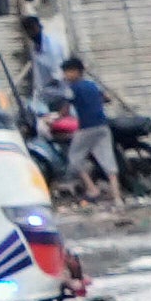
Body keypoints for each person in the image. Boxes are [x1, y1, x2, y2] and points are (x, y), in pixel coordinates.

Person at [54, 55, 117, 208]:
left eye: (67, 72)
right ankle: (117, 198)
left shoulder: (72, 89)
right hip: (102, 127)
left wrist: (54, 118)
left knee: (74, 159)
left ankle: (92, 189)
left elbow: (65, 110)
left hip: (86, 129)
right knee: (108, 162)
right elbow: (107, 98)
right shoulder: (92, 85)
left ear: (76, 72)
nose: (65, 75)